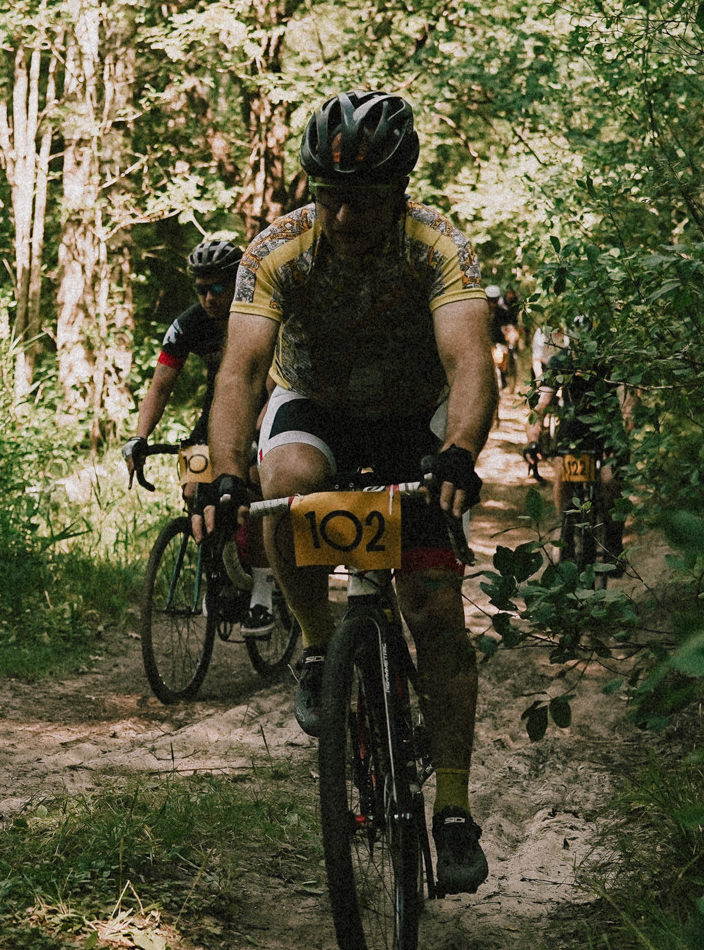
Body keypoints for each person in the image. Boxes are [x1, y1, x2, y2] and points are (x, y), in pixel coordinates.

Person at [191, 90, 498, 895]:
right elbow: (240, 373)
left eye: (362, 200)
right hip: (316, 405)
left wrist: (459, 455)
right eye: (327, 195)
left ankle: (453, 808)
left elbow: (470, 362)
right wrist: (225, 473)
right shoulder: (278, 249)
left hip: (414, 417)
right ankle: (320, 645)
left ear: (400, 192)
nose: (343, 216)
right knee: (284, 486)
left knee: (433, 608)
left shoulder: (437, 244)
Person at [123, 236, 279, 636]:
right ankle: (219, 572)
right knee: (194, 487)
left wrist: (257, 433)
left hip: (265, 409)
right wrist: (140, 437)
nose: (208, 298)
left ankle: (263, 588)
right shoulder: (188, 324)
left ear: (237, 283)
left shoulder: (261, 313)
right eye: (201, 289)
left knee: (253, 487)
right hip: (214, 417)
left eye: (218, 288)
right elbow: (160, 386)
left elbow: (278, 380)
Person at [527, 322, 625, 563]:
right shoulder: (561, 363)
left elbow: (627, 399)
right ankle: (565, 529)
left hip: (606, 429)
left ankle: (613, 540)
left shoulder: (608, 364)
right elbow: (542, 404)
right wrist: (533, 439)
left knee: (610, 481)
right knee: (562, 474)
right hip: (572, 429)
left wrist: (624, 430)